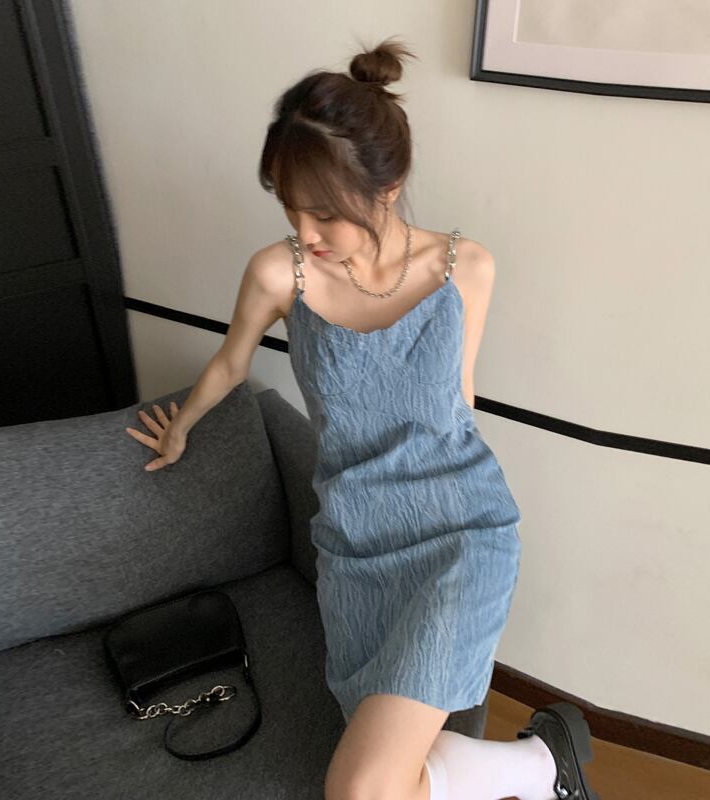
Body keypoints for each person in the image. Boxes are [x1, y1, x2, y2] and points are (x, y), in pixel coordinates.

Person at [125, 36, 601, 800]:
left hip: (460, 533)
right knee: (386, 776)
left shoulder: (467, 268)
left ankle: (545, 762)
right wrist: (180, 428)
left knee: (361, 789)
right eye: (289, 206)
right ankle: (545, 764)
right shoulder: (281, 273)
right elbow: (231, 364)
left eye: (324, 212)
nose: (305, 231)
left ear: (389, 187)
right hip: (355, 544)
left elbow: (461, 401)